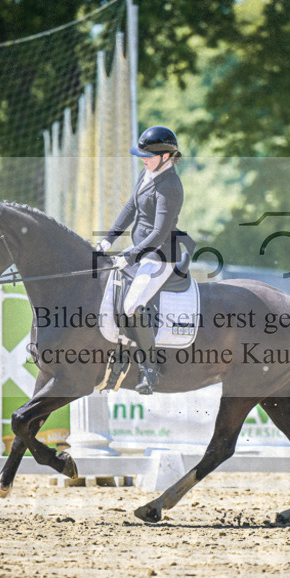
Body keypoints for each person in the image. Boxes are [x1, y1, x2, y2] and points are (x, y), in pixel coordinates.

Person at [97, 126, 190, 393]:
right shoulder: (148, 173)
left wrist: (129, 255)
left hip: (160, 257)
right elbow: (130, 207)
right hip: (139, 251)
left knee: (132, 305)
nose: (142, 159)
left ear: (166, 156)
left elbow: (160, 233)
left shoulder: (170, 186)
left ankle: (151, 369)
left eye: (147, 155)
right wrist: (109, 238)